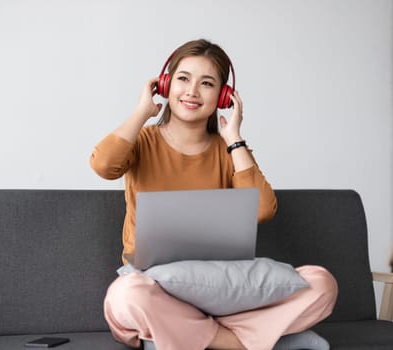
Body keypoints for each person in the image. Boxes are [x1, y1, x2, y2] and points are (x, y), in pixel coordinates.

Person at [90, 39, 337, 350]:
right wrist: (142, 111)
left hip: (219, 286)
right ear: (164, 85)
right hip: (156, 284)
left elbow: (263, 210)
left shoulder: (227, 150)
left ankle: (181, 336)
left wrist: (233, 137)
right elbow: (103, 165)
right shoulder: (143, 141)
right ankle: (243, 341)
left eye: (207, 83)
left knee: (321, 284)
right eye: (182, 79)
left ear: (223, 96)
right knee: (125, 296)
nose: (192, 91)